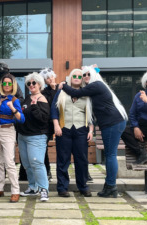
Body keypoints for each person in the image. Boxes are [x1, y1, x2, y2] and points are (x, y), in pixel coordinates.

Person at [60, 65, 128, 198]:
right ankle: (110, 186)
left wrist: (63, 85)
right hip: (113, 123)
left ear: (94, 75)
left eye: (87, 74)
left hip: (112, 123)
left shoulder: (96, 84)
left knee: (110, 155)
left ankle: (111, 187)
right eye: (83, 75)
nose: (85, 77)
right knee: (110, 155)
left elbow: (76, 93)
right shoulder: (96, 88)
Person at [52, 69, 94, 197]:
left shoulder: (87, 94)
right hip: (64, 129)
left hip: (82, 130)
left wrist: (91, 131)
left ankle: (83, 186)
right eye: (74, 76)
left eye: (79, 76)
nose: (76, 78)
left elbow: (92, 115)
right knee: (63, 160)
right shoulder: (61, 91)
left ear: (82, 79)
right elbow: (54, 109)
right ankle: (62, 188)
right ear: (70, 78)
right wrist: (56, 125)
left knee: (82, 159)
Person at [0, 73, 25, 203]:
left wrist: (13, 108)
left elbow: (22, 119)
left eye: (10, 83)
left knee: (9, 162)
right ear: (1, 85)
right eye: (5, 83)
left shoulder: (15, 100)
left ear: (13, 85)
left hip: (8, 131)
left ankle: (15, 191)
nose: (7, 85)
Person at [16, 72, 50, 202]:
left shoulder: (42, 99)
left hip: (37, 136)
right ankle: (32, 187)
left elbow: (43, 119)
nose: (31, 85)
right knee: (26, 164)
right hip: (23, 136)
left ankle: (44, 189)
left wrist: (35, 106)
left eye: (34, 83)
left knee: (37, 162)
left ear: (40, 84)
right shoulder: (27, 99)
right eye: (29, 83)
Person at [39, 68, 58, 181]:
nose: (50, 79)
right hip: (47, 123)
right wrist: (52, 89)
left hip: (61, 122)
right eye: (47, 78)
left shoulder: (62, 87)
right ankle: (47, 171)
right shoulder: (44, 92)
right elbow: (51, 104)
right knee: (43, 147)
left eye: (51, 76)